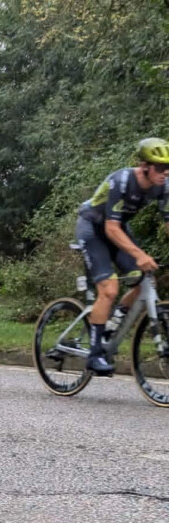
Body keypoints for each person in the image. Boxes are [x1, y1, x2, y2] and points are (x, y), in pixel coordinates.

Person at [75, 137, 169, 374]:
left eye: (168, 168)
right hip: (93, 227)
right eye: (159, 167)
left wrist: (140, 258)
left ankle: (110, 326)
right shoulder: (122, 180)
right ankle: (94, 355)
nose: (164, 173)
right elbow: (110, 229)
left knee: (143, 279)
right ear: (144, 166)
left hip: (118, 227)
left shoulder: (164, 186)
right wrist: (139, 254)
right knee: (109, 289)